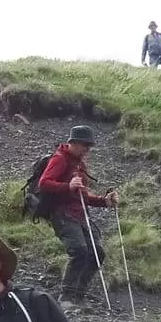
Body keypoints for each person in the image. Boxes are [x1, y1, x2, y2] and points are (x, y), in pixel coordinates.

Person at [34, 127, 119, 309]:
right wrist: (67, 185)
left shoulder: (79, 164)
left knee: (97, 253)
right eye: (84, 145)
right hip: (62, 214)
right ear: (73, 143)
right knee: (79, 251)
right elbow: (44, 183)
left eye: (89, 146)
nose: (87, 149)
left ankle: (79, 295)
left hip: (79, 215)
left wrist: (105, 202)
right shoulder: (60, 158)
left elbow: (83, 195)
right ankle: (66, 297)